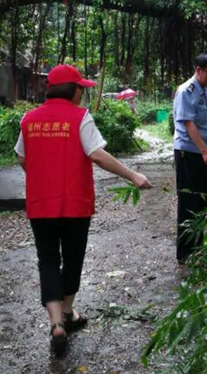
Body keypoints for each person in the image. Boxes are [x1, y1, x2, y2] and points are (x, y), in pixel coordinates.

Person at [14, 64, 153, 356]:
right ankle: (67, 312)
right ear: (72, 90)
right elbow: (97, 155)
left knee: (47, 260)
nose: (83, 94)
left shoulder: (29, 119)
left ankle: (57, 324)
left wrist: (40, 175)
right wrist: (133, 175)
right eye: (81, 89)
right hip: (75, 204)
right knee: (73, 257)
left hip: (41, 205)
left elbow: (21, 156)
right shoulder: (79, 117)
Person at [173, 53, 207, 265]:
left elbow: (205, 125)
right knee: (188, 202)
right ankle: (185, 252)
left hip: (201, 152)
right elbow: (188, 124)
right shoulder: (187, 91)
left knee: (201, 200)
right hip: (188, 154)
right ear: (198, 70)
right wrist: (204, 151)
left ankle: (198, 247)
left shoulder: (203, 91)